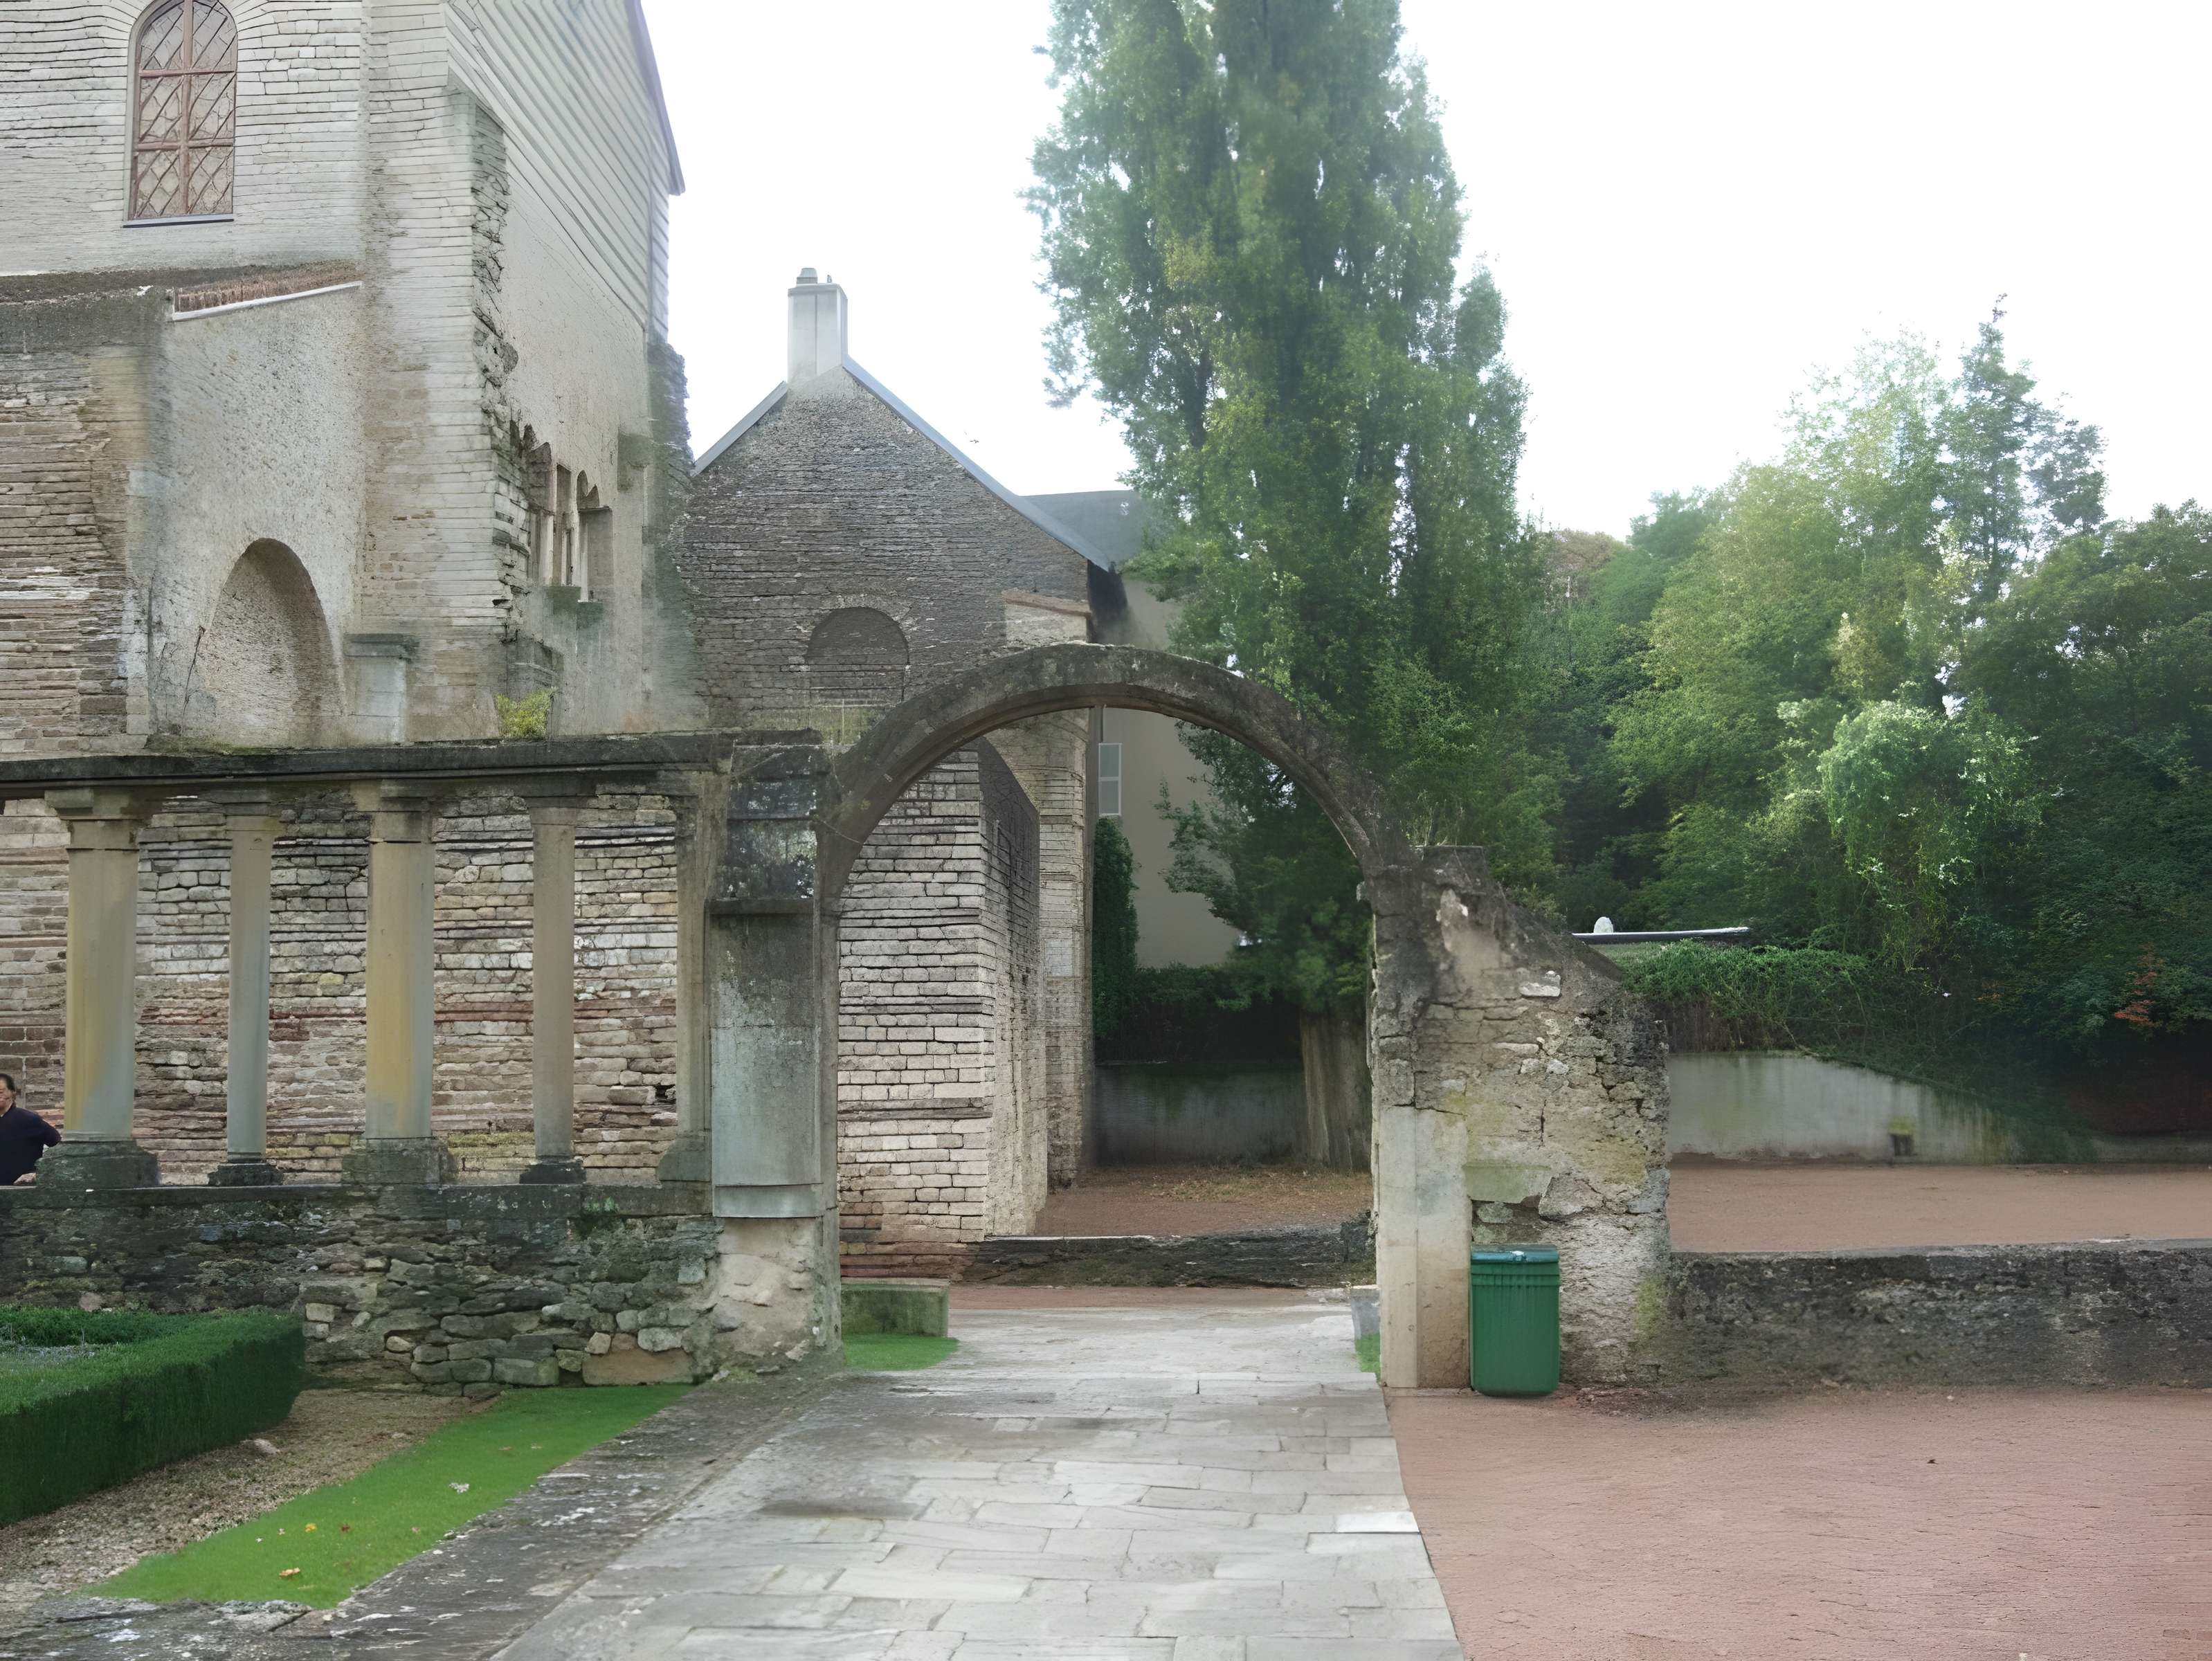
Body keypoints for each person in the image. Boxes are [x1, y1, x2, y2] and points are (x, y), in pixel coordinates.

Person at [0, 1073, 60, 1184]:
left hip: (20, 1193)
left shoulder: (29, 1120)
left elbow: (60, 1147)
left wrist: (38, 1173)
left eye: (1, 1092)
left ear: (13, 1093)